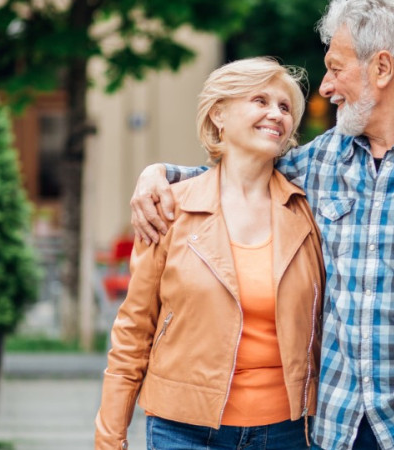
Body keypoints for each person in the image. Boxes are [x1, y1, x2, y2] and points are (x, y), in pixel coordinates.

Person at [129, 0, 394, 448]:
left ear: (381, 68)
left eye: (335, 69)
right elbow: (238, 177)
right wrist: (160, 175)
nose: (324, 87)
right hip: (339, 427)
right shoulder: (321, 160)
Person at [95, 57, 326, 450]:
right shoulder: (168, 208)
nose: (276, 114)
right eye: (260, 100)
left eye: (285, 107)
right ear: (219, 113)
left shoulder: (310, 210)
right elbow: (134, 331)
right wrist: (110, 437)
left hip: (289, 431)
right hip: (183, 429)